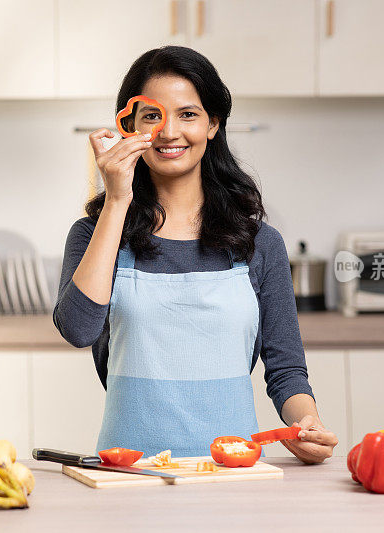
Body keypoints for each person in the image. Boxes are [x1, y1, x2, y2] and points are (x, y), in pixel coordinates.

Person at [53, 46, 337, 463]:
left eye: (188, 114)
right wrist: (115, 200)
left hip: (232, 471)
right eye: (152, 116)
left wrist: (307, 424)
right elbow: (78, 329)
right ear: (129, 126)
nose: (169, 132)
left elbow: (286, 369)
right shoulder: (95, 235)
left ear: (213, 124)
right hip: (129, 474)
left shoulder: (260, 243)